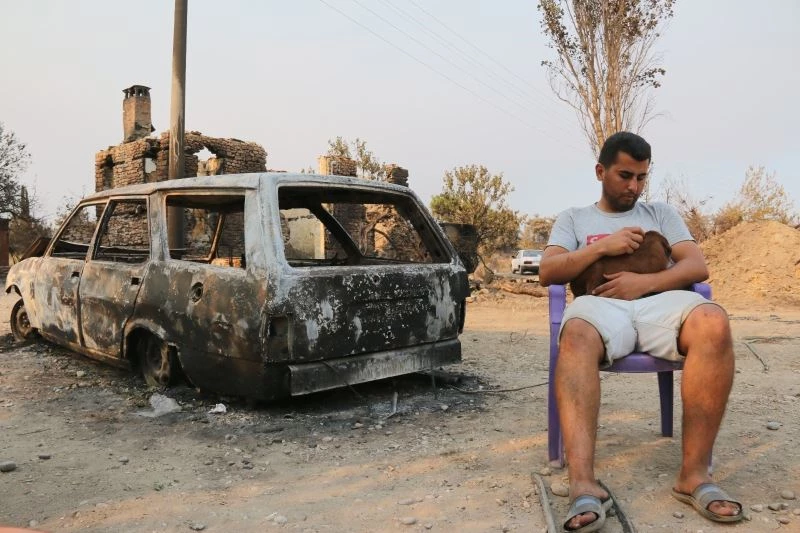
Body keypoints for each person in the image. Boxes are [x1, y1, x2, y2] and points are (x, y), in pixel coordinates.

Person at [539, 132, 742, 532]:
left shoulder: (660, 213)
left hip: (657, 303)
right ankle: (583, 483)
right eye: (625, 176)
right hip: (600, 305)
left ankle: (694, 476)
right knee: (575, 333)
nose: (633, 186)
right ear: (601, 171)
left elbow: (696, 267)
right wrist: (602, 247)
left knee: (713, 321)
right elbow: (549, 271)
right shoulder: (574, 218)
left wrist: (643, 283)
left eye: (641, 177)